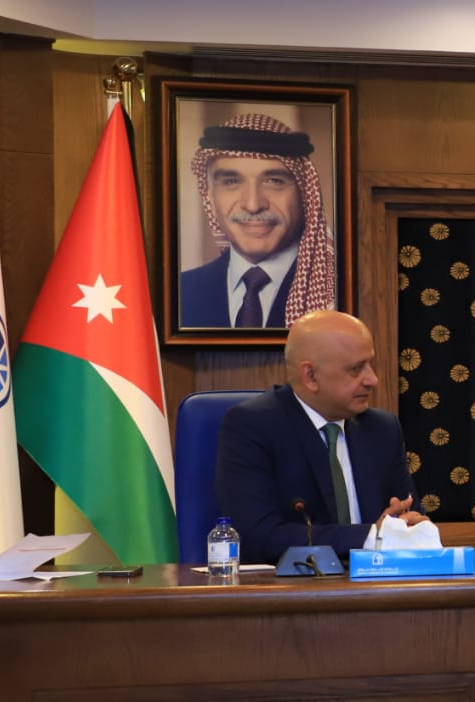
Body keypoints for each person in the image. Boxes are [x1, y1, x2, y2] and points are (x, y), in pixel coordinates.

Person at [215, 310, 424, 563]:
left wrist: (406, 527)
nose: (372, 379)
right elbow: (257, 537)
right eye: (356, 369)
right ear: (311, 376)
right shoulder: (253, 426)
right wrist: (370, 536)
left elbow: (410, 520)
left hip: (379, 580)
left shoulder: (382, 429)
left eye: (370, 364)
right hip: (294, 585)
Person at [180, 113, 338, 329]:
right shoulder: (182, 292)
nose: (253, 205)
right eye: (231, 181)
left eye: (274, 181)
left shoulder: (337, 292)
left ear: (305, 195)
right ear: (210, 198)